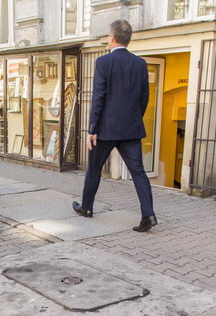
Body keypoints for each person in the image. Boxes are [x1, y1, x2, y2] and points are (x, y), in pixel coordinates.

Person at [72, 19, 157, 232]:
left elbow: (98, 97)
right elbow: (144, 97)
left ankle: (87, 208)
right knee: (138, 172)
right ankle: (148, 214)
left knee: (94, 169)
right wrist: (134, 117)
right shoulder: (140, 64)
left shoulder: (103, 63)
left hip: (106, 130)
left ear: (112, 37)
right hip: (131, 129)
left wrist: (92, 129)